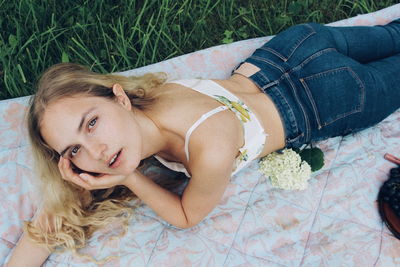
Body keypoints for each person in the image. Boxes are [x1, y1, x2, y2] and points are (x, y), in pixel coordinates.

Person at [7, 18, 400, 266]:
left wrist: (129, 178)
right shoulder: (145, 98)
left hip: (330, 97)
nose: (96, 153)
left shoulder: (208, 148)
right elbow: (50, 222)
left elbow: (187, 216)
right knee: (392, 33)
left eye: (91, 123)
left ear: (119, 98)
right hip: (292, 47)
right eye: (73, 150)